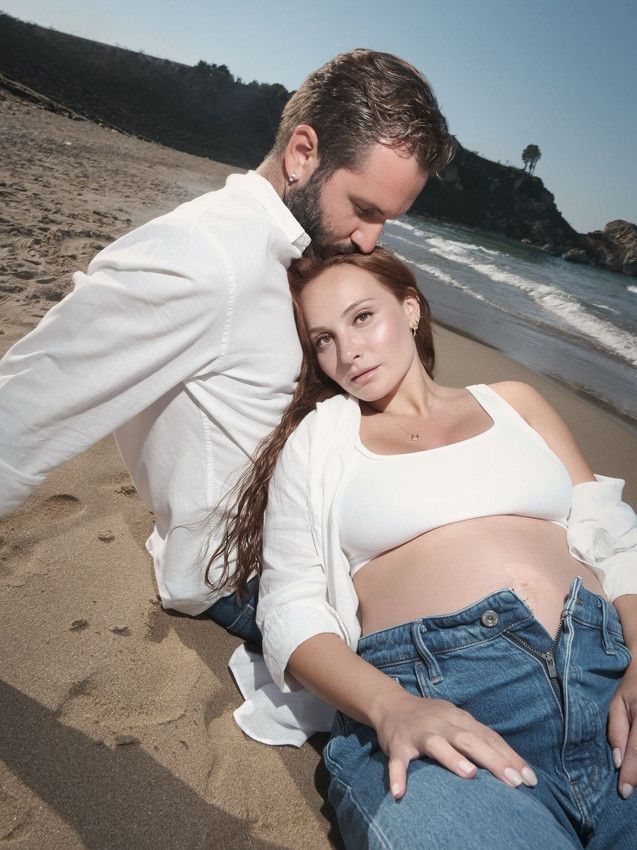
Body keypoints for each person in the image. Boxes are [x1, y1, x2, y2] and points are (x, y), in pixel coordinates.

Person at [0, 50, 453, 635]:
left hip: (309, 543)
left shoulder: (287, 251)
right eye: (364, 209)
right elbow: (21, 411)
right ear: (302, 153)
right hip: (250, 574)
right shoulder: (205, 259)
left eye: (387, 219)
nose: (370, 239)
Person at [218, 247, 637, 849]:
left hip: (605, 672)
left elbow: (613, 540)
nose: (348, 351)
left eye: (363, 317)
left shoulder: (513, 402)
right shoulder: (320, 442)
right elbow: (290, 609)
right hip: (440, 698)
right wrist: (391, 708)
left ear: (410, 308)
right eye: (324, 340)